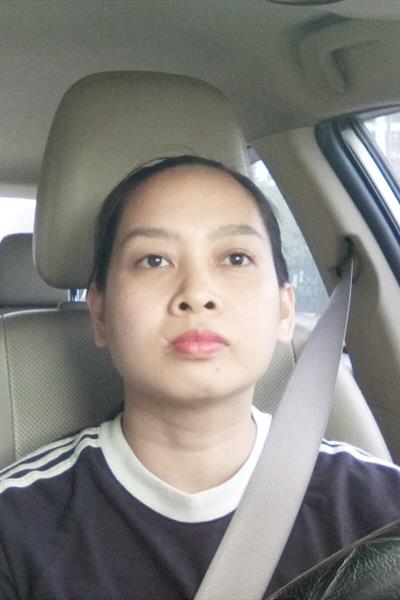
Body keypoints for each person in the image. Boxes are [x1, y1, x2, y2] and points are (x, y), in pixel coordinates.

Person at [0, 155, 399, 600]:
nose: (197, 293)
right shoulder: (15, 525)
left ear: (284, 311)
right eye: (154, 260)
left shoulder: (382, 509)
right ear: (100, 314)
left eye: (236, 258)